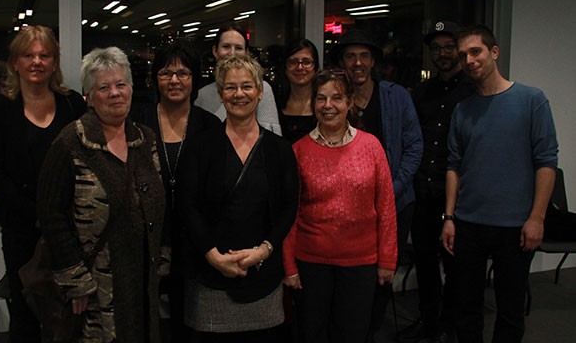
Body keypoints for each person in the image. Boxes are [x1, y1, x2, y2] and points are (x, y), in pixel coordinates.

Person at [37, 46, 167, 342]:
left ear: (132, 89)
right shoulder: (70, 142)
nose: (115, 93)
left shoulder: (145, 139)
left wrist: (161, 258)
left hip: (142, 278)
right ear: (90, 97)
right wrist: (75, 281)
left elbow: (160, 202)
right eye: (104, 87)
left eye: (121, 84)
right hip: (95, 282)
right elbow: (51, 215)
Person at [441, 25, 558, 343]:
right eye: (463, 55)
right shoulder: (463, 110)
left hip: (515, 226)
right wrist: (449, 218)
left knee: (509, 311)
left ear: (494, 52)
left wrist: (537, 218)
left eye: (475, 51)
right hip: (468, 225)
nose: (469, 60)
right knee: (467, 310)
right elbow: (454, 166)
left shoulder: (531, 100)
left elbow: (546, 163)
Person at [178, 53, 298, 342]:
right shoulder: (200, 146)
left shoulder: (280, 150)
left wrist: (264, 250)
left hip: (263, 275)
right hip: (210, 276)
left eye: (247, 86)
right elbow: (187, 204)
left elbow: (289, 206)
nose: (239, 94)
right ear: (220, 95)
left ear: (259, 92)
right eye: (230, 88)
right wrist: (212, 255)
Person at [0, 26, 86, 342]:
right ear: (15, 63)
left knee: (71, 313)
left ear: (55, 63)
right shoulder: (0, 109)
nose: (37, 62)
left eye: (44, 55)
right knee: (25, 314)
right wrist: (37, 214)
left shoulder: (73, 105)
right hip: (20, 227)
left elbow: (86, 163)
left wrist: (60, 216)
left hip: (69, 228)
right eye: (28, 55)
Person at [282, 68, 398, 343]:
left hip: (361, 264)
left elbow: (386, 207)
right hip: (311, 263)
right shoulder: (298, 150)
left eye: (336, 98)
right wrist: (289, 266)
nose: (328, 106)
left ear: (350, 101)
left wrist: (388, 259)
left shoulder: (371, 146)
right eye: (320, 99)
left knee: (353, 333)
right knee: (313, 333)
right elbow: (289, 214)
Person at [331, 28, 423, 339]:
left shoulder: (396, 96)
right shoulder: (335, 98)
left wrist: (392, 188)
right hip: (350, 207)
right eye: (350, 56)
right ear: (342, 62)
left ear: (374, 62)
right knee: (354, 272)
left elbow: (414, 147)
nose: (357, 62)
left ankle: (372, 329)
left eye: (364, 56)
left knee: (384, 272)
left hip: (396, 201)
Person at [131, 40, 221, 342]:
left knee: (188, 318)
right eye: (166, 73)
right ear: (154, 78)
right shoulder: (138, 122)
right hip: (146, 234)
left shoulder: (209, 126)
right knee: (143, 315)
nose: (174, 80)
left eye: (183, 73)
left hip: (191, 238)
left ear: (194, 80)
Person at [402, 21, 475, 343]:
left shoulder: (474, 92)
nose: (442, 54)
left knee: (457, 266)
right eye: (436, 49)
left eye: (448, 47)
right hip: (424, 191)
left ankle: (453, 325)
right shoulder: (421, 93)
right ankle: (429, 322)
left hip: (458, 196)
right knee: (426, 262)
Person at [194, 22, 282, 135]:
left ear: (246, 52)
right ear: (215, 51)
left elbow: (271, 140)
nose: (232, 53)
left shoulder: (262, 88)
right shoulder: (202, 95)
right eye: (226, 47)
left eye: (239, 48)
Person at [277, 39, 319, 143]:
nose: (300, 67)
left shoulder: (323, 104)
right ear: (285, 68)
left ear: (315, 67)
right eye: (293, 62)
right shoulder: (275, 104)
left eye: (306, 62)